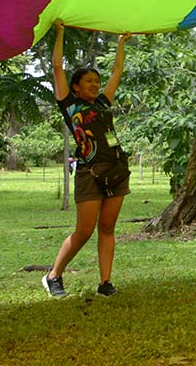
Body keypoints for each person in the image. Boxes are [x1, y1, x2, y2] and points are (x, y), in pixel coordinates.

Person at [42, 22, 131, 298]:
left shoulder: (103, 103)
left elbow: (117, 71)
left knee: (107, 228)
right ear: (76, 87)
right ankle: (53, 275)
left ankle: (105, 283)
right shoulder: (70, 105)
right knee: (84, 231)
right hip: (89, 173)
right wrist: (60, 32)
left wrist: (120, 44)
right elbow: (57, 67)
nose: (95, 84)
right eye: (88, 81)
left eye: (96, 80)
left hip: (116, 168)